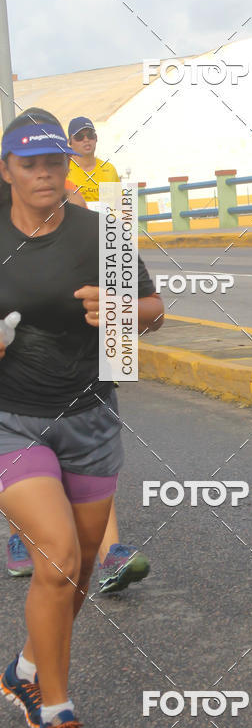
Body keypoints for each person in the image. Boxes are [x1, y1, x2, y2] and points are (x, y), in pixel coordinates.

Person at [0, 108, 164, 728]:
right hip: (10, 419)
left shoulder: (102, 232)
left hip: (91, 416)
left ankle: (23, 668)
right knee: (59, 556)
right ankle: (56, 709)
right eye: (29, 164)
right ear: (7, 171)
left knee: (81, 569)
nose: (44, 175)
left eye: (54, 163)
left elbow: (154, 311)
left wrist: (124, 308)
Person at [6, 172, 151, 594]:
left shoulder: (85, 194)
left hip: (81, 358)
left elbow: (137, 294)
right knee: (26, 461)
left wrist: (123, 317)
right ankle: (23, 531)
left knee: (92, 460)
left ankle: (111, 552)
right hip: (16, 374)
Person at [66, 116, 119, 204]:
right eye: (79, 137)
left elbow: (117, 208)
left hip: (102, 217)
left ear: (96, 138)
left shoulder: (109, 169)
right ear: (70, 142)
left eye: (90, 135)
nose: (86, 140)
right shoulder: (63, 169)